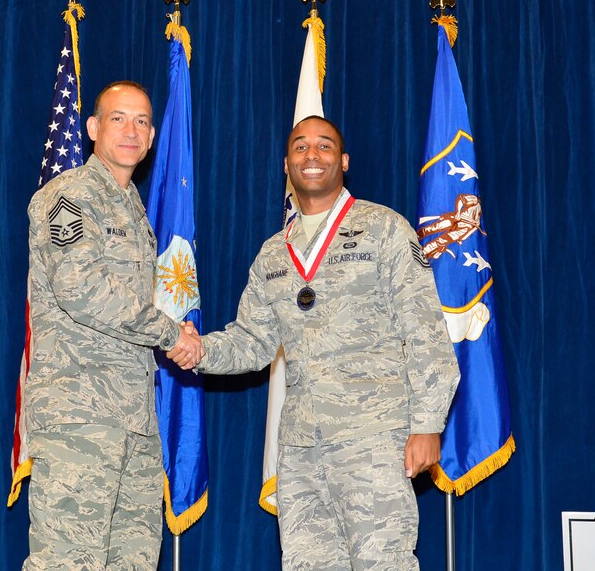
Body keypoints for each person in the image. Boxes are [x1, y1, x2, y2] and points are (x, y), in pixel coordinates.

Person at [171, 116, 460, 570]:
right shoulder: (273, 253)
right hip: (303, 447)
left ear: (343, 161)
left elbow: (425, 333)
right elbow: (252, 341)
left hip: (374, 437)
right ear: (287, 163)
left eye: (324, 146)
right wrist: (201, 350)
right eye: (300, 147)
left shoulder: (383, 228)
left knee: (383, 562)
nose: (312, 155)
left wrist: (427, 424)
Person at [23, 81, 202, 570]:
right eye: (118, 119)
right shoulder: (70, 197)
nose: (132, 130)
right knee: (68, 562)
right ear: (93, 129)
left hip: (134, 423)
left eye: (142, 121)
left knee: (134, 561)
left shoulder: (134, 208)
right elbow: (82, 290)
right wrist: (172, 334)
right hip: (80, 417)